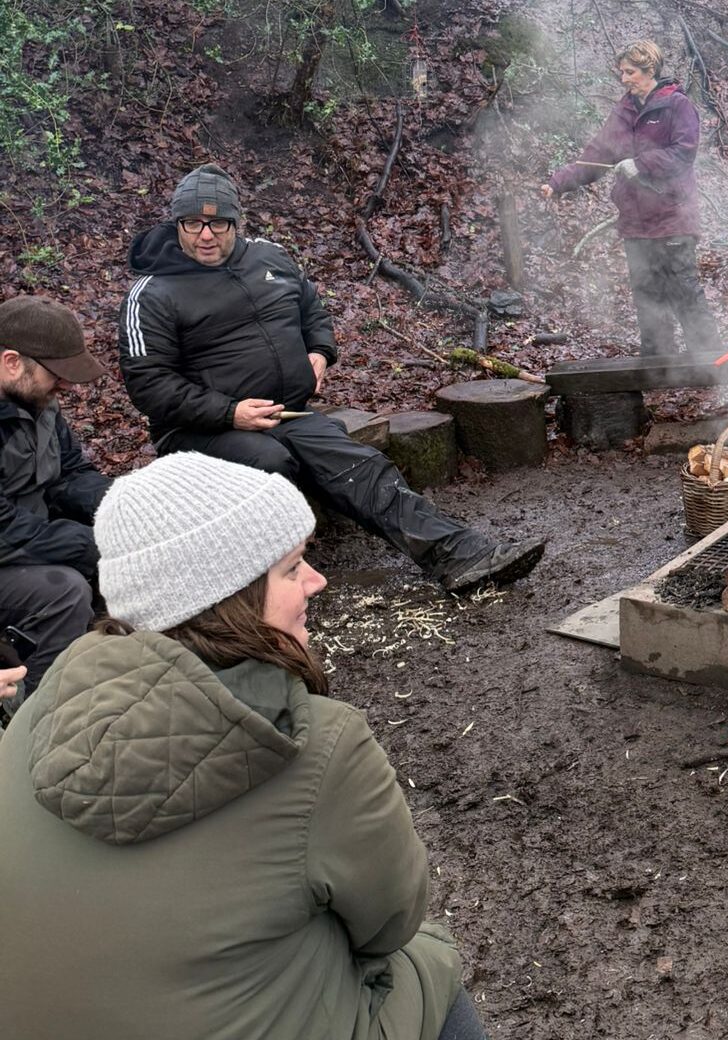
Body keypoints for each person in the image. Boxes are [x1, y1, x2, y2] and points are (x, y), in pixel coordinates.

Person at [0, 451, 488, 1040]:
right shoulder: (321, 745)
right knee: (431, 965)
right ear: (226, 593)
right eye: (292, 568)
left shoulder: (45, 700)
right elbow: (390, 923)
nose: (318, 581)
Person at [117, 163, 543, 593]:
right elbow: (148, 383)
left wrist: (320, 351)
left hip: (287, 413)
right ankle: (255, 592)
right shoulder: (153, 292)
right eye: (192, 223)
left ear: (236, 222)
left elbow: (312, 309)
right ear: (177, 225)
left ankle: (461, 556)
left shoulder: (269, 256)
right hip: (199, 429)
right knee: (270, 463)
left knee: (364, 466)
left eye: (218, 223)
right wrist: (230, 412)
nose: (205, 235)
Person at [541, 39, 723, 357]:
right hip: (636, 222)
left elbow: (684, 153)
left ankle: (710, 362)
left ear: (649, 70)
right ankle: (658, 362)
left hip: (673, 217)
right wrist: (558, 184)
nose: (623, 79)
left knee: (683, 290)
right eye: (622, 72)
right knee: (646, 292)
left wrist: (640, 164)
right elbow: (597, 155)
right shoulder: (624, 110)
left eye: (630, 72)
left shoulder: (676, 105)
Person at [0, 295, 111, 718]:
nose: (67, 386)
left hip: (28, 534)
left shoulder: (38, 401)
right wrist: (89, 543)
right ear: (13, 362)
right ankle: (44, 718)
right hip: (8, 547)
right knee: (64, 591)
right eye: (58, 374)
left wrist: (123, 506)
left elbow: (69, 474)